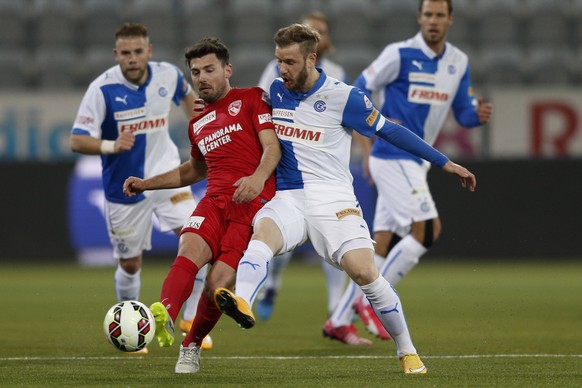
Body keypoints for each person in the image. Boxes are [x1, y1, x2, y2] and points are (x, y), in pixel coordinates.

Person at [213, 23, 477, 375]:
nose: (282, 70)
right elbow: (238, 104)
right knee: (261, 240)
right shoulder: (275, 91)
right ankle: (243, 301)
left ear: (312, 58)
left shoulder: (345, 97)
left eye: (290, 62)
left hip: (334, 200)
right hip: (290, 198)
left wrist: (444, 162)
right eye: (278, 61)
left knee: (365, 271)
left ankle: (407, 350)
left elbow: (390, 130)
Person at [327, 0, 494, 343]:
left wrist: (476, 116)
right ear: (419, 18)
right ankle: (369, 302)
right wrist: (374, 134)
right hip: (393, 153)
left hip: (416, 161)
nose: (433, 21)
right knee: (427, 231)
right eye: (427, 15)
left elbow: (462, 112)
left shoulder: (458, 62)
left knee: (383, 243)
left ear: (450, 19)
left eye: (439, 15)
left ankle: (339, 320)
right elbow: (358, 89)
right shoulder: (398, 54)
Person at [122, 37, 281, 374]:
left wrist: (257, 178)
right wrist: (146, 183)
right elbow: (193, 170)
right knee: (188, 251)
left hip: (250, 208)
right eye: (195, 72)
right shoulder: (197, 123)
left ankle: (191, 344)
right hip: (213, 202)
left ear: (227, 70)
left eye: (209, 69)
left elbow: (272, 147)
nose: (202, 78)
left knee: (217, 284)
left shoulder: (252, 99)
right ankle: (162, 314)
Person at [69, 22, 212, 352]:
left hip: (166, 178)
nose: (132, 58)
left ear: (149, 51)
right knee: (130, 264)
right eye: (125, 53)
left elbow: (192, 106)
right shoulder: (101, 89)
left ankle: (191, 319)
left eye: (138, 51)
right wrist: (110, 146)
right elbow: (76, 139)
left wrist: (204, 126)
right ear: (116, 54)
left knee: (200, 241)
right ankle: (131, 323)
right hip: (125, 189)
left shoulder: (169, 75)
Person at [255, 10, 350, 324]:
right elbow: (261, 108)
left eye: (321, 30)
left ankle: (336, 308)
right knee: (281, 242)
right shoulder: (277, 67)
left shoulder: (336, 72)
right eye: (311, 29)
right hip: (287, 168)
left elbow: (347, 116)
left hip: (325, 172)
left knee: (334, 248)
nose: (317, 34)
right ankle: (272, 286)